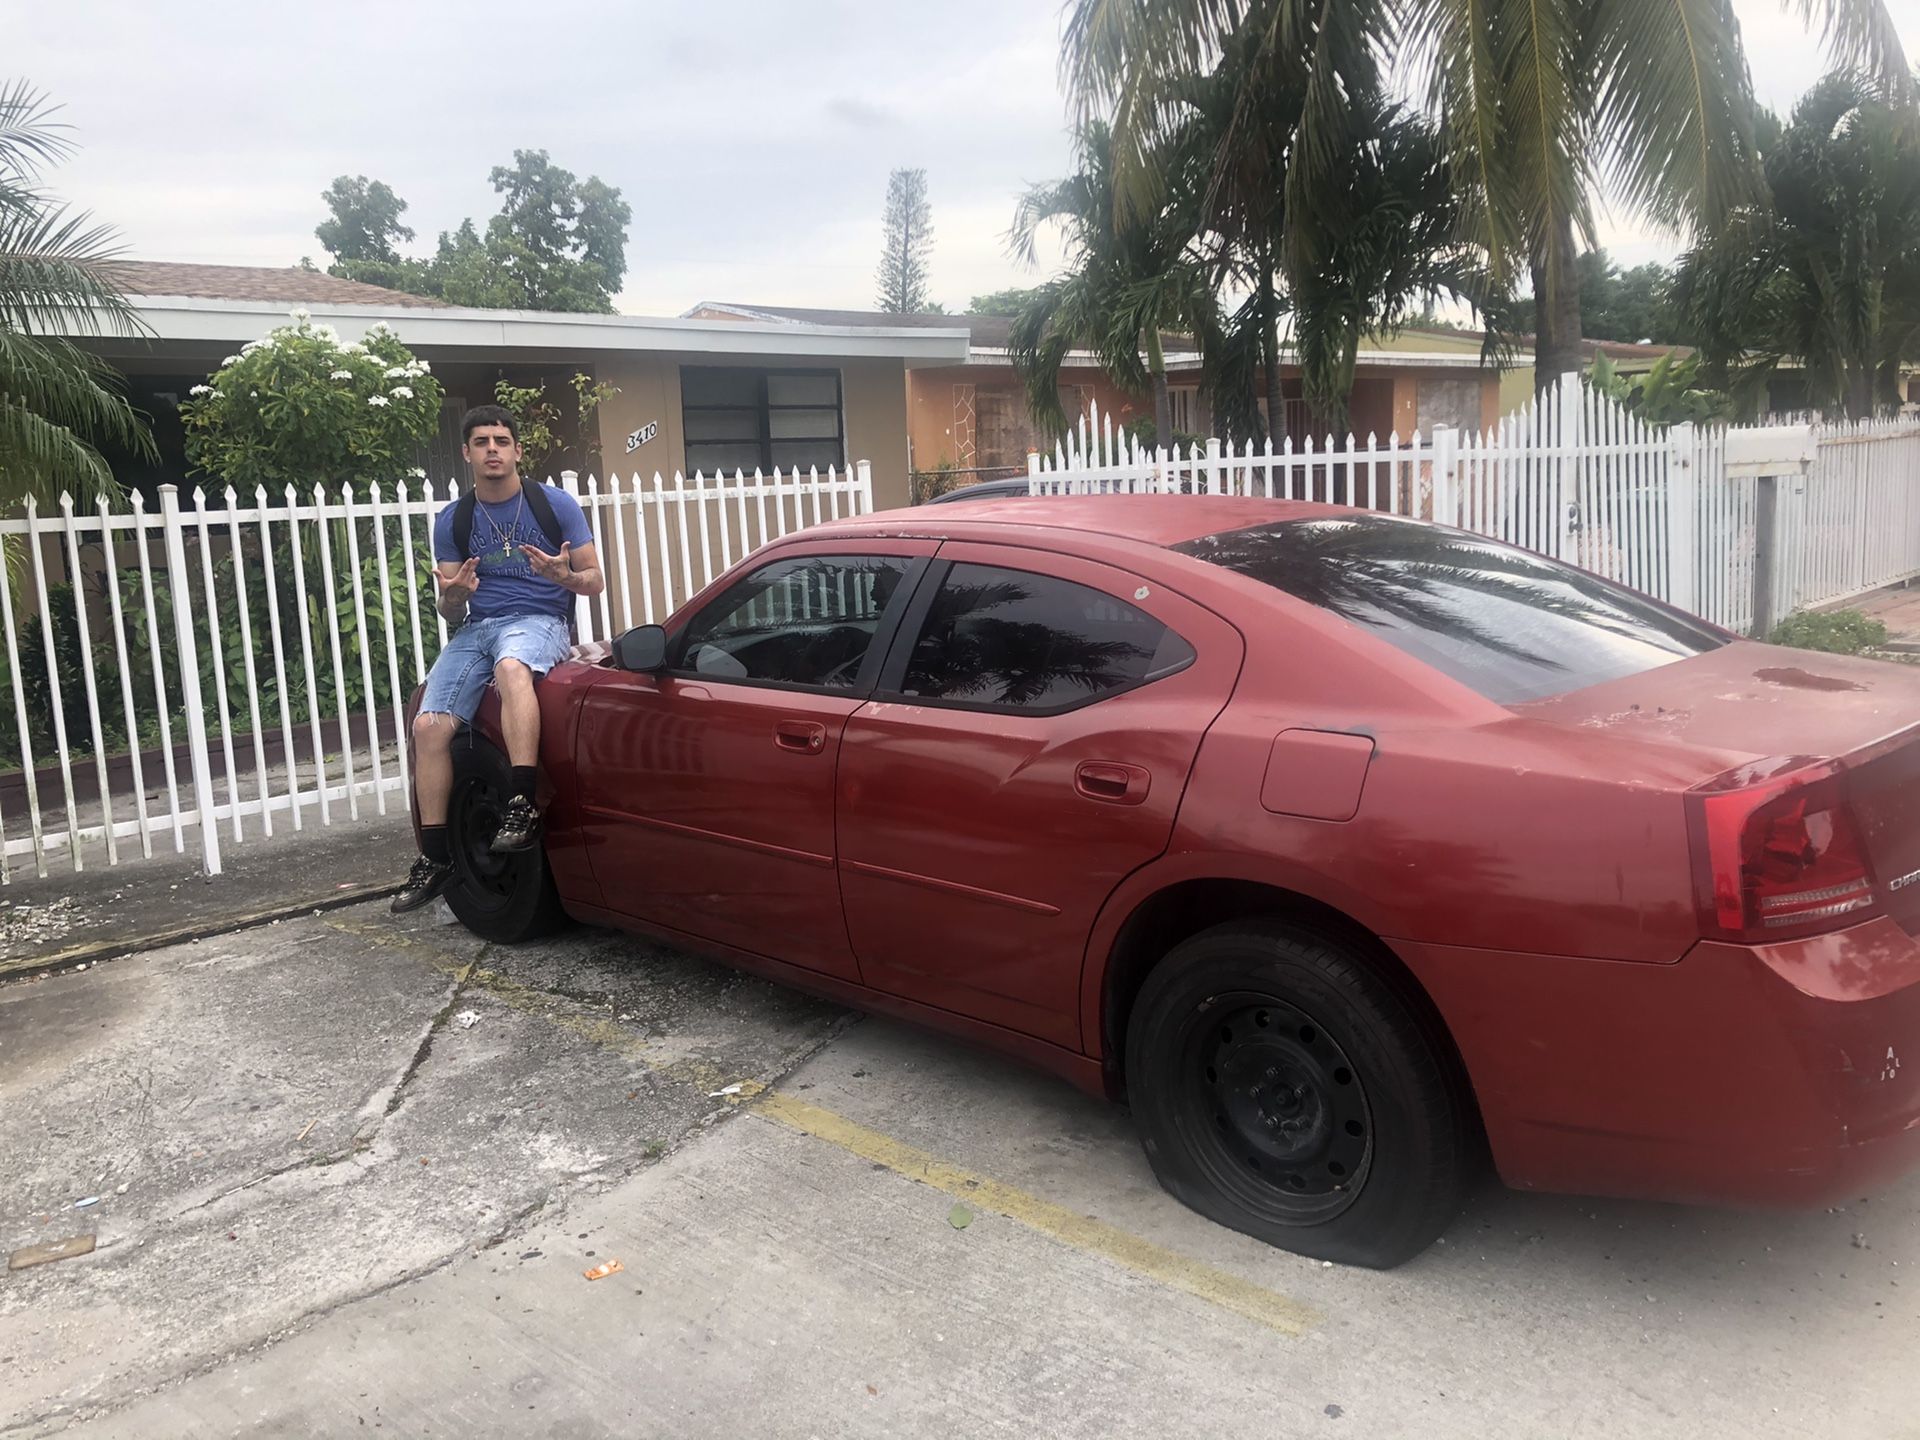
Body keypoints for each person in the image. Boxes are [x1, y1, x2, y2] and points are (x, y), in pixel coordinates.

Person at [391, 404, 604, 914]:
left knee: (513, 669)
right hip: (476, 628)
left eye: (501, 440)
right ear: (467, 453)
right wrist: (455, 595)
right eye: (482, 441)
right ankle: (438, 858)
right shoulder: (454, 519)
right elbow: (447, 608)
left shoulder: (554, 505)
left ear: (517, 450)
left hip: (539, 622)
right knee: (429, 727)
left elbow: (594, 581)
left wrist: (564, 578)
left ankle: (523, 806)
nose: (493, 449)